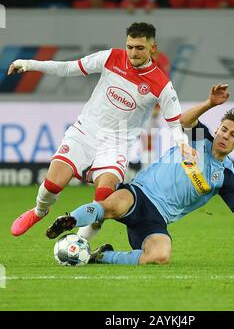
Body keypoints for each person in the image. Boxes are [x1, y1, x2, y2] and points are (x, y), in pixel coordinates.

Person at [45, 84, 234, 265]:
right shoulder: (201, 139)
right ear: (218, 129)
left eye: (233, 135)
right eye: (224, 130)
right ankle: (69, 220)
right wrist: (210, 103)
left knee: (160, 255)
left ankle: (99, 256)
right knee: (110, 205)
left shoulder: (226, 177)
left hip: (157, 219)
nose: (225, 136)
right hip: (141, 194)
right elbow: (184, 121)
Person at [8, 22, 195, 238]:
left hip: (116, 144)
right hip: (85, 132)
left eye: (140, 48)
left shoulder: (162, 84)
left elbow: (175, 123)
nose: (133, 52)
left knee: (103, 201)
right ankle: (39, 211)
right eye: (130, 46)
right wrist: (29, 64)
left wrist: (184, 146)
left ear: (153, 48)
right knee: (52, 185)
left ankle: (78, 244)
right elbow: (69, 67)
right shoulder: (110, 58)